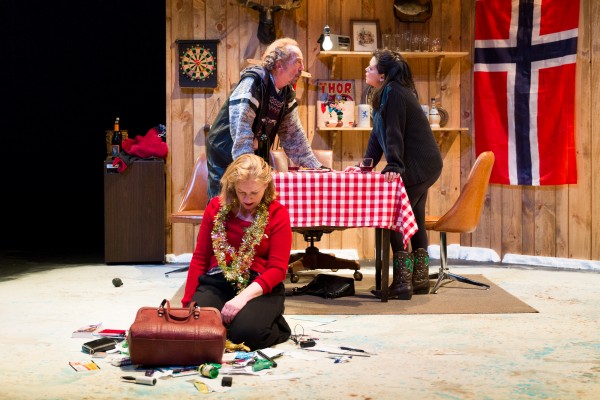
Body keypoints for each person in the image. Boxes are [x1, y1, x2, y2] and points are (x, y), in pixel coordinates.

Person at [351, 49, 443, 300]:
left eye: (370, 68)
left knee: (394, 217)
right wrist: (366, 165)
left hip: (418, 164)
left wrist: (394, 165)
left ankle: (403, 283)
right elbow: (377, 134)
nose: (366, 71)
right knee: (415, 217)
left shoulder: (394, 92)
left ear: (382, 75)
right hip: (425, 164)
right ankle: (420, 280)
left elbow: (394, 132)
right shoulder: (383, 94)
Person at [181, 154, 292, 350]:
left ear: (266, 187)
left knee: (247, 334)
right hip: (218, 281)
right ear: (232, 187)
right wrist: (187, 305)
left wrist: (241, 299)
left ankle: (273, 323)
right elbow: (200, 258)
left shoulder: (277, 213)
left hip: (258, 286)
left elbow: (277, 269)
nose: (248, 199)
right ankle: (230, 321)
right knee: (196, 326)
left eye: (254, 193)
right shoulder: (216, 207)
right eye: (242, 192)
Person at [205, 37, 324, 198]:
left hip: (252, 154)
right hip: (225, 152)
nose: (302, 68)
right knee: (224, 205)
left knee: (256, 205)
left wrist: (316, 167)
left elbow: (294, 135)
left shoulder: (286, 93)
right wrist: (249, 168)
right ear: (279, 64)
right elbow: (241, 127)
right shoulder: (253, 81)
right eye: (298, 62)